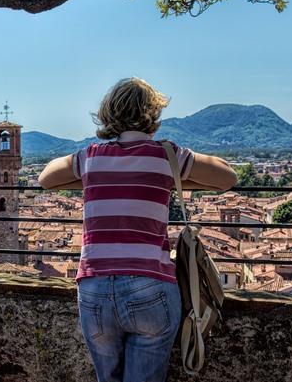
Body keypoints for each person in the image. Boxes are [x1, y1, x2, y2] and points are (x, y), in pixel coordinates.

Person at [38, 77, 237, 382]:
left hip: (95, 287)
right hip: (149, 285)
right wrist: (171, 178)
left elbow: (46, 178)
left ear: (108, 114)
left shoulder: (91, 157)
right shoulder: (167, 155)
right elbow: (227, 177)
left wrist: (95, 178)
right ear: (152, 114)